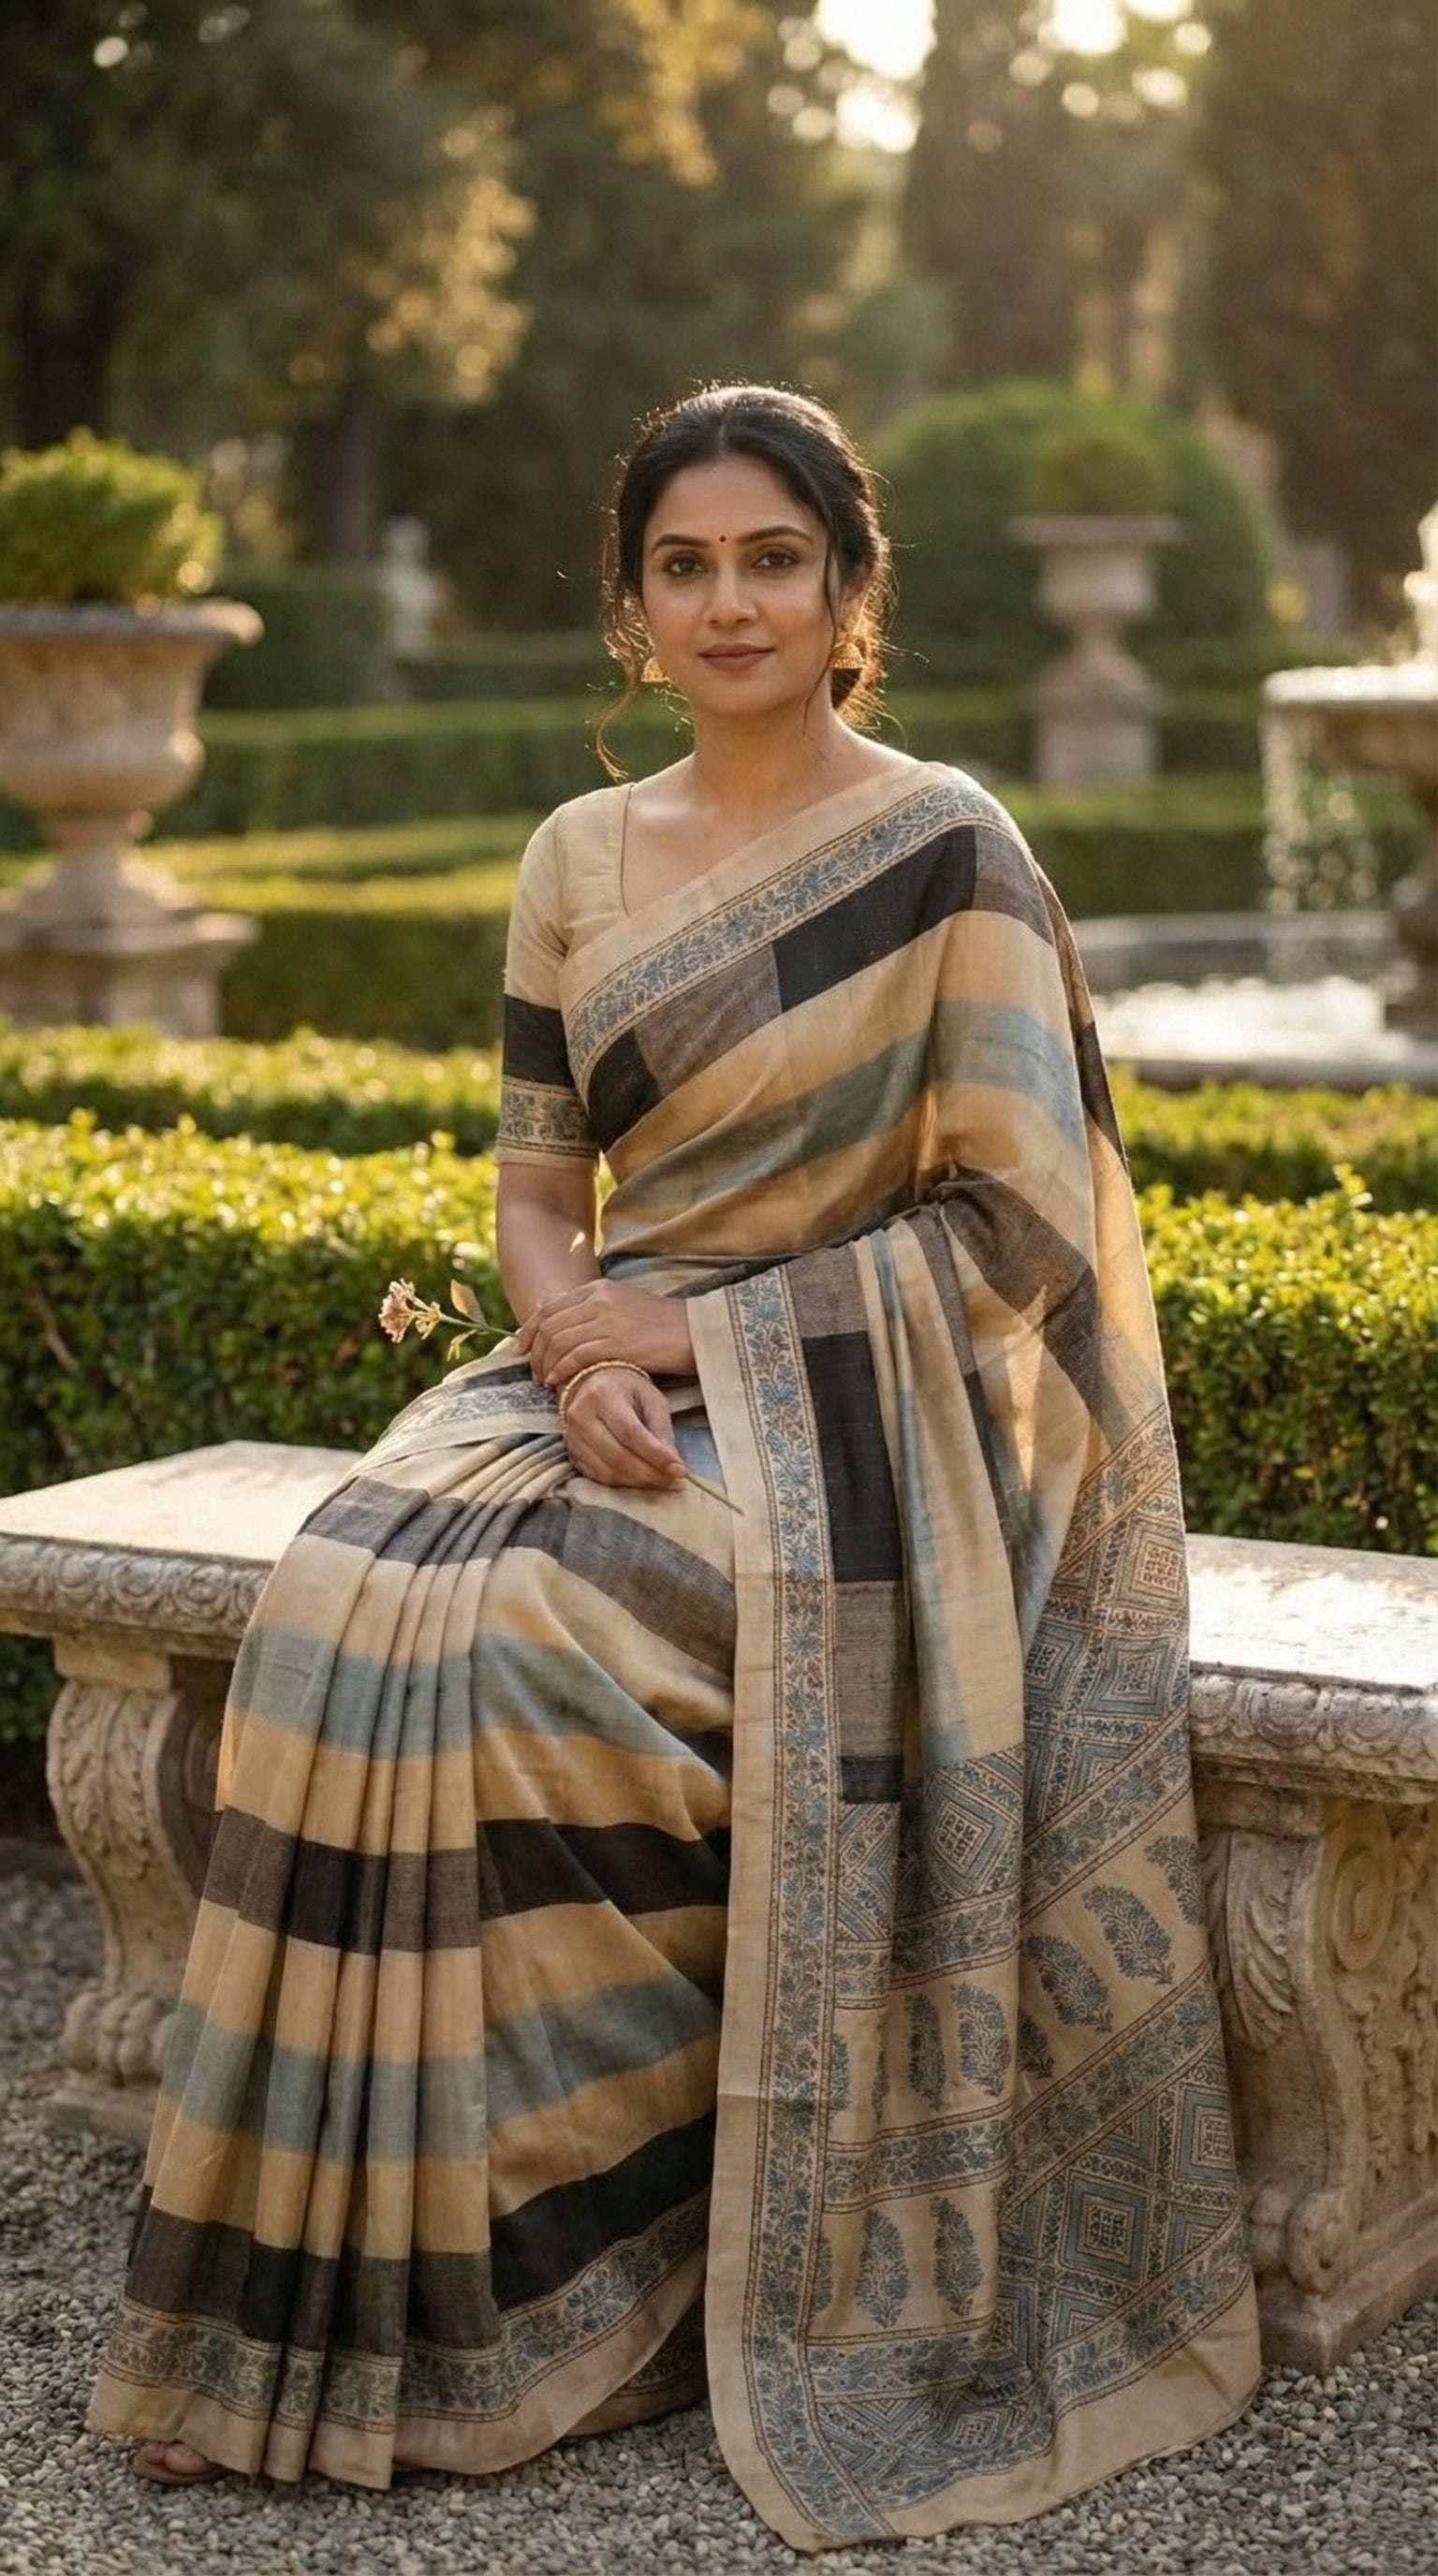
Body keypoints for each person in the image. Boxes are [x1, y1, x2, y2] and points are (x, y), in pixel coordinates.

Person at [91, 383, 1260, 2550]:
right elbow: (541, 1191)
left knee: (535, 1639)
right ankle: (311, 2302)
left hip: (862, 1420)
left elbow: (1018, 1231)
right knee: (343, 1601)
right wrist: (573, 1343)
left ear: (848, 589)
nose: (732, 603)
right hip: (591, 1364)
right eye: (686, 566)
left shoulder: (950, 847)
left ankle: (599, 2278)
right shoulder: (576, 856)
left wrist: (702, 1338)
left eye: (774, 561)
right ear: (633, 608)